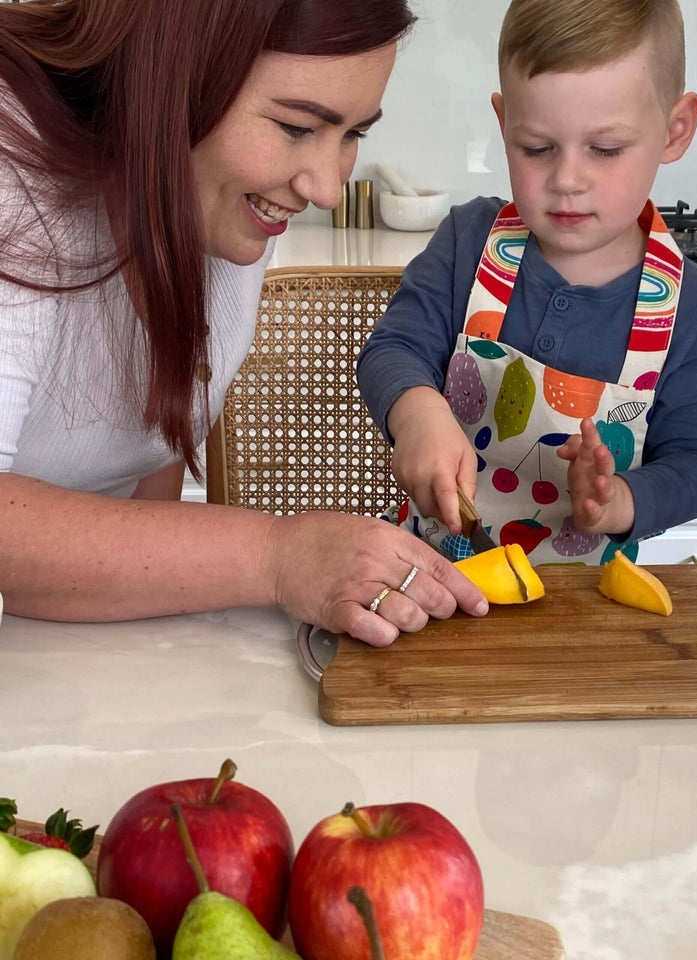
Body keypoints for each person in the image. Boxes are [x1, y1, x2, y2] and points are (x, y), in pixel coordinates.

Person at [0, 0, 489, 647]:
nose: (326, 189)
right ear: (173, 74)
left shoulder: (221, 197)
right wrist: (278, 555)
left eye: (354, 134)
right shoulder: (12, 165)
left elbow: (151, 453)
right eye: (295, 127)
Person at [357, 0, 697, 566]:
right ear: (504, 122)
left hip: (582, 605)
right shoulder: (469, 241)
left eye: (605, 150)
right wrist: (417, 412)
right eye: (537, 148)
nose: (566, 180)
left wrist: (619, 501)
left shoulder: (696, 308)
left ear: (674, 130)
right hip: (434, 576)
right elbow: (393, 349)